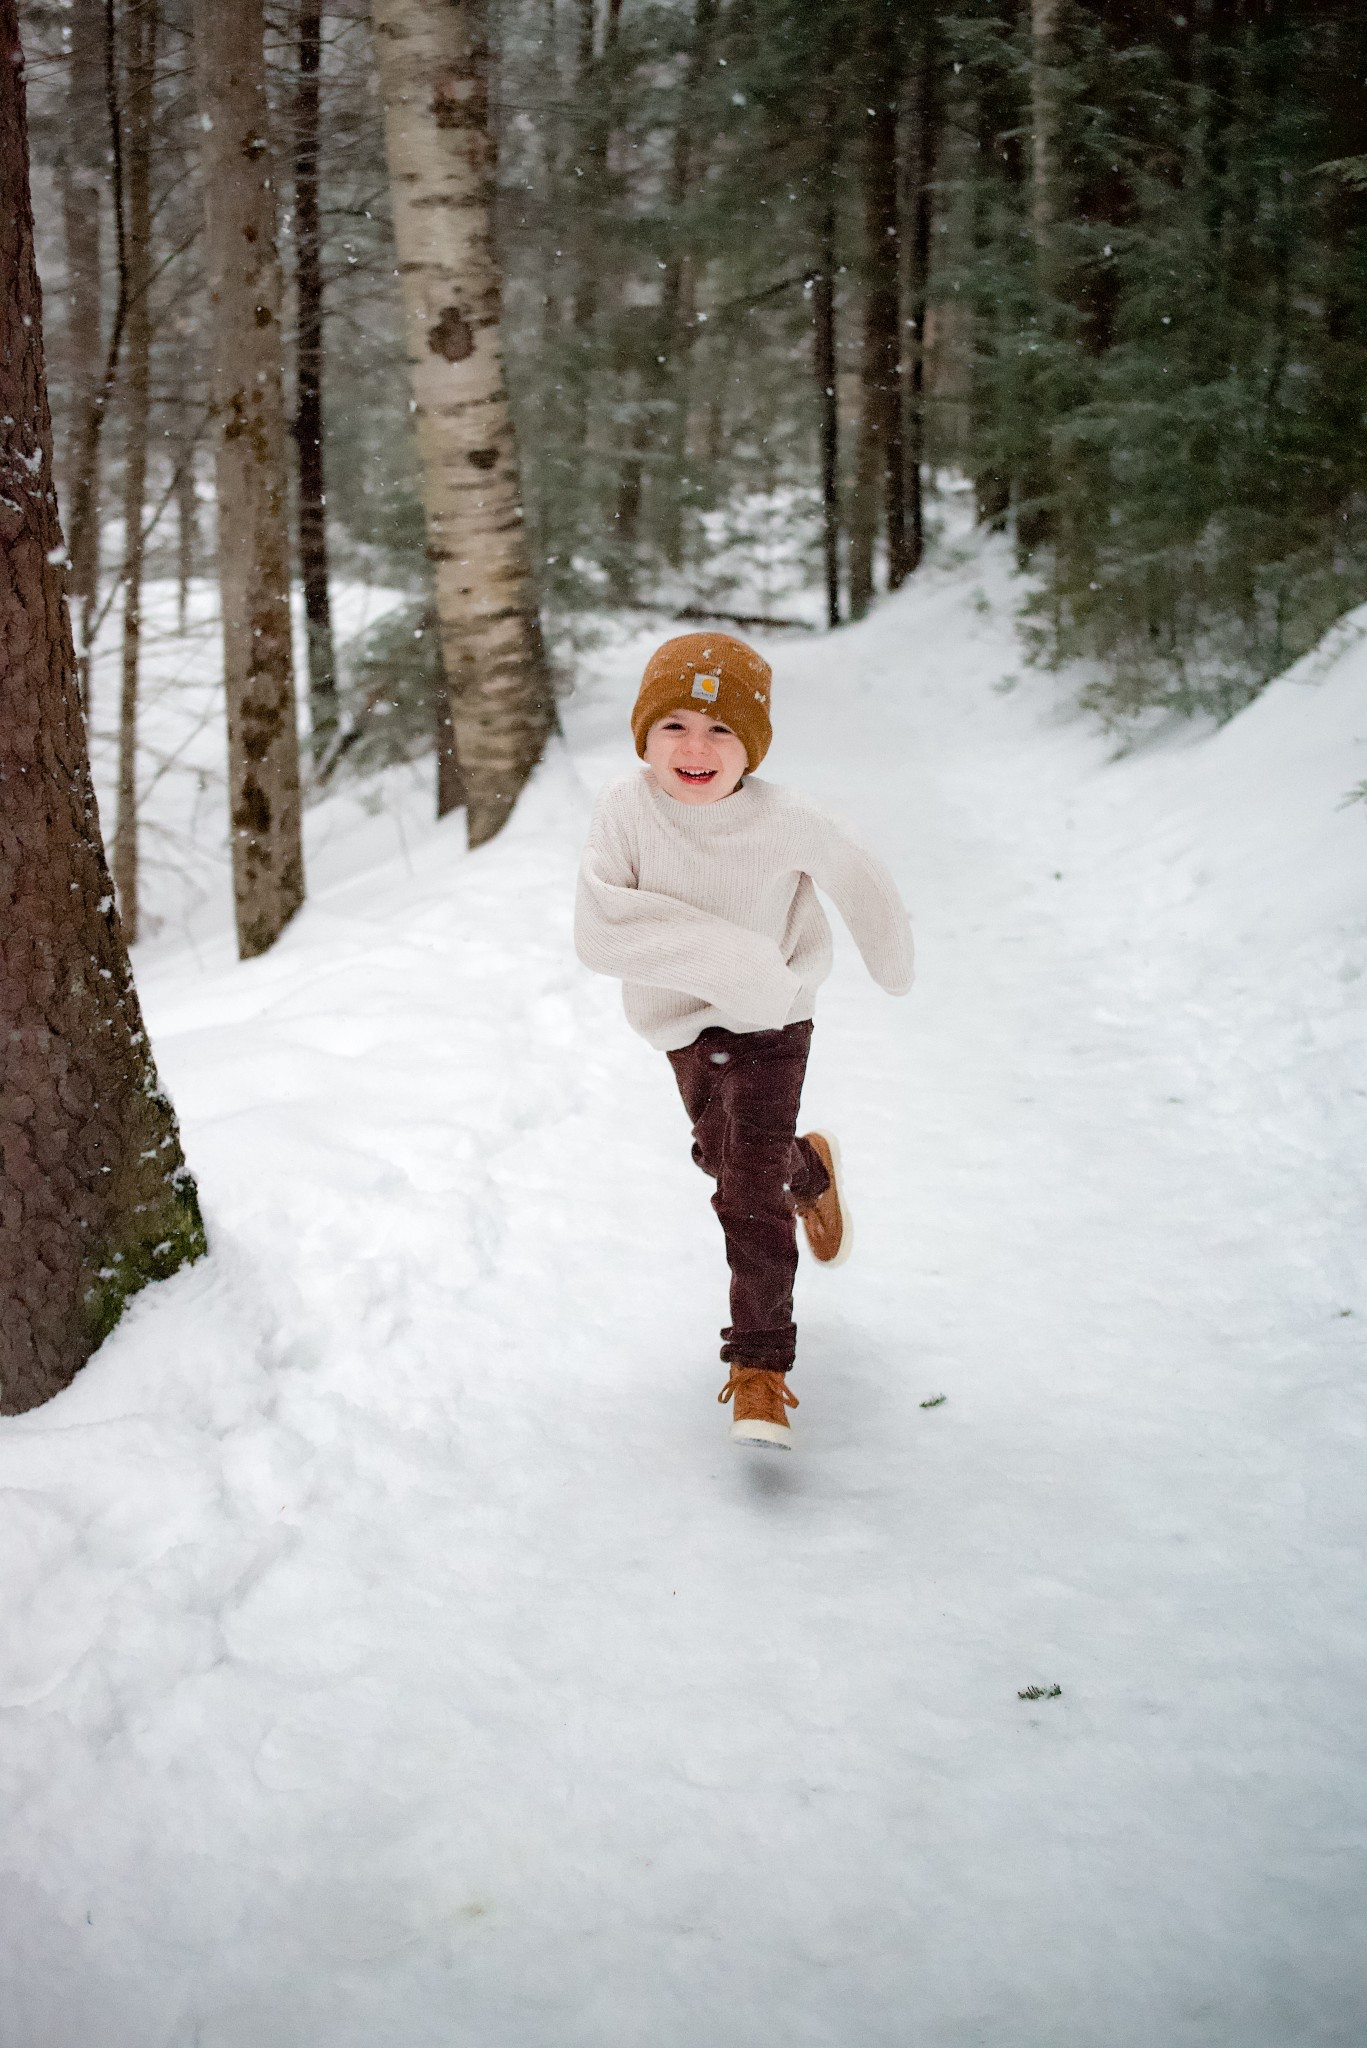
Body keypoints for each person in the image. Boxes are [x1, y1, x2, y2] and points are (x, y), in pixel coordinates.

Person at [574, 632, 914, 1450]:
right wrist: (731, 960)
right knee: (723, 1157)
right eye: (675, 726)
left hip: (773, 1021)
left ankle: (760, 1367)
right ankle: (813, 1170)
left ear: (750, 746)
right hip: (683, 1022)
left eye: (720, 729)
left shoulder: (786, 818)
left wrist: (886, 959)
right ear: (645, 736)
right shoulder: (625, 808)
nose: (696, 747)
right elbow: (600, 929)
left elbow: (858, 874)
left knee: (745, 1193)